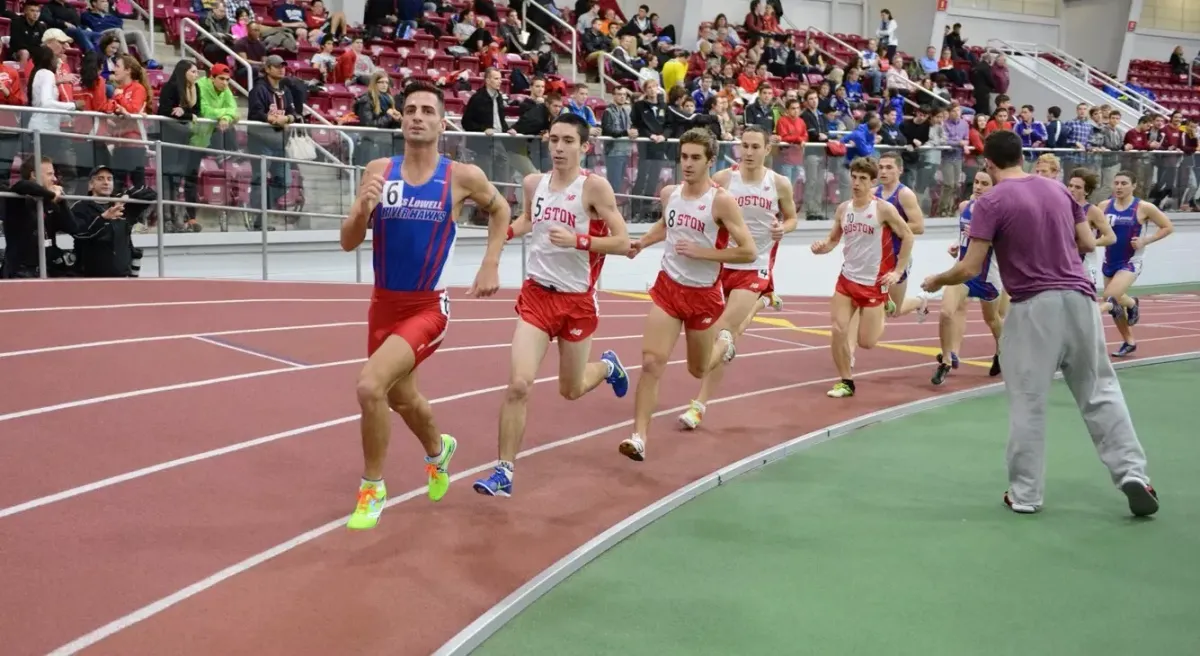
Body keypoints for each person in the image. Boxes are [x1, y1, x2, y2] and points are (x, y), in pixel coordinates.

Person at [920, 130, 1159, 518]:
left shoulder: (991, 200)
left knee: (1028, 401)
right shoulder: (1059, 191)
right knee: (1101, 391)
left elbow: (970, 266)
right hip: (1080, 299)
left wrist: (937, 280)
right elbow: (1085, 242)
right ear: (1022, 156)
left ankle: (1026, 494)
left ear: (988, 163)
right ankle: (1133, 473)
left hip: (1032, 306)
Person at [340, 81, 511, 531]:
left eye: (427, 111)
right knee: (403, 398)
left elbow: (501, 211)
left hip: (427, 308)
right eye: (410, 109)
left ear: (441, 122)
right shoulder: (379, 169)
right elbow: (348, 241)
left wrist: (490, 262)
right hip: (383, 306)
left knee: (369, 387)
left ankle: (371, 488)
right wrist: (362, 209)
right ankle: (439, 451)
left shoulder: (461, 176)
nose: (417, 116)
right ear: (401, 118)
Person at [473, 114, 632, 497]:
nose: (559, 148)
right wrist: (505, 234)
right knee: (518, 384)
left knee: (572, 389)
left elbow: (624, 241)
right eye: (554, 140)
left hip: (577, 301)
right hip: (537, 297)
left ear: (584, 147)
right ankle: (504, 472)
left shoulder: (594, 189)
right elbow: (530, 218)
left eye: (568, 141)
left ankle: (608, 366)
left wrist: (579, 241)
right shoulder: (534, 183)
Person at [618, 128, 758, 461]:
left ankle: (724, 344)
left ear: (710, 161)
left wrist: (703, 253)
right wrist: (642, 242)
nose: (688, 164)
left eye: (696, 158)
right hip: (668, 288)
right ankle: (638, 436)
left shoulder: (721, 201)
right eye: (684, 157)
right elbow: (667, 225)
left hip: (703, 297)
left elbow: (749, 251)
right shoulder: (670, 194)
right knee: (651, 363)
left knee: (698, 370)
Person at [678, 125, 798, 430]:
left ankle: (699, 405)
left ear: (767, 150)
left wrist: (783, 228)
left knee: (721, 332)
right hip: (723, 263)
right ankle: (758, 308)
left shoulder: (779, 183)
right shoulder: (723, 179)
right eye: (744, 145)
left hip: (755, 265)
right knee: (724, 338)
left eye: (755, 147)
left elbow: (793, 217)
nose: (748, 152)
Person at [811, 156, 913, 399]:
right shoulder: (843, 209)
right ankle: (846, 381)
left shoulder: (882, 209)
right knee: (838, 329)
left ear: (872, 182)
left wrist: (897, 271)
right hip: (847, 280)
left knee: (867, 342)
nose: (856, 183)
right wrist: (821, 247)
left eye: (863, 179)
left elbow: (907, 236)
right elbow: (834, 240)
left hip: (874, 283)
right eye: (854, 177)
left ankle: (885, 306)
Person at [932, 171, 1003, 385]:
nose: (978, 187)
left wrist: (982, 238)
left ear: (995, 187)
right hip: (963, 272)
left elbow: (1007, 245)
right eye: (977, 183)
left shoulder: (999, 212)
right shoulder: (966, 207)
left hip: (987, 276)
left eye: (985, 184)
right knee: (946, 312)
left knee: (992, 320)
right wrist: (958, 244)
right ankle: (946, 360)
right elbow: (965, 233)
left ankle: (1002, 351)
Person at [1096, 171, 1174, 358]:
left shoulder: (1144, 207)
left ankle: (1113, 309)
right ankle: (1129, 340)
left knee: (1109, 297)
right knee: (1115, 305)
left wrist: (1145, 240)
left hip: (1130, 262)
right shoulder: (1104, 206)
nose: (1119, 187)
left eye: (1124, 183)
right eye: (1116, 183)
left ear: (1134, 185)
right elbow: (1097, 230)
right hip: (1109, 261)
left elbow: (1168, 227)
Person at [1063, 167, 1116, 294]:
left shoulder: (1092, 211)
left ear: (1086, 191)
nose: (1072, 190)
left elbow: (1111, 237)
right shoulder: (1061, 207)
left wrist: (1091, 242)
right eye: (1070, 185)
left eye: (1077, 187)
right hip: (1063, 262)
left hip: (1084, 264)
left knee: (1085, 303)